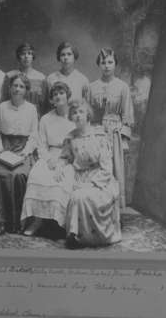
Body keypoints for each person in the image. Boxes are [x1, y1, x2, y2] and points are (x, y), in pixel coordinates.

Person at [61, 100, 121, 249]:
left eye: (81, 112)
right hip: (79, 177)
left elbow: (107, 167)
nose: (77, 115)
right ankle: (74, 235)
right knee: (73, 194)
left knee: (79, 196)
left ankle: (81, 236)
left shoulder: (99, 135)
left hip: (101, 179)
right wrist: (59, 168)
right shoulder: (70, 137)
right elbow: (65, 158)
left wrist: (92, 183)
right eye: (74, 113)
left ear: (88, 114)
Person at [20, 81, 75, 236]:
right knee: (37, 175)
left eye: (61, 93)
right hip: (49, 156)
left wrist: (62, 163)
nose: (58, 96)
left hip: (68, 158)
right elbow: (41, 144)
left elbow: (75, 145)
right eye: (55, 94)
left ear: (67, 95)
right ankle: (38, 220)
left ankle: (60, 222)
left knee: (62, 180)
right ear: (51, 100)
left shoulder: (74, 117)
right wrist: (49, 159)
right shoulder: (45, 119)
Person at [0, 73, 38, 235]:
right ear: (10, 88)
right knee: (0, 174)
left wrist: (26, 153)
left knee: (20, 175)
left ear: (26, 90)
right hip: (5, 147)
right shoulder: (1, 107)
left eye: (21, 86)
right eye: (15, 86)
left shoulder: (31, 109)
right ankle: (1, 221)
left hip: (23, 149)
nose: (17, 89)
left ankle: (19, 220)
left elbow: (34, 135)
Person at [89, 48, 134, 208]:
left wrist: (124, 139)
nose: (107, 66)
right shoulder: (91, 87)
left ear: (115, 64)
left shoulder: (122, 87)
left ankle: (114, 210)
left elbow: (127, 115)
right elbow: (88, 114)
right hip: (97, 132)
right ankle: (96, 209)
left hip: (115, 133)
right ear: (98, 65)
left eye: (110, 62)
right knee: (97, 169)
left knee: (114, 169)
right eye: (103, 62)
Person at [1, 43, 48, 117]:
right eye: (23, 54)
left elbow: (45, 104)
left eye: (29, 53)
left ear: (33, 56)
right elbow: (4, 100)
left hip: (34, 116)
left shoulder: (41, 78)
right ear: (19, 56)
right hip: (13, 114)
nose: (26, 56)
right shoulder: (10, 76)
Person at [46, 41, 90, 111]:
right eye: (63, 55)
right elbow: (49, 105)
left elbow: (86, 106)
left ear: (74, 57)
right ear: (59, 57)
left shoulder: (83, 79)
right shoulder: (51, 78)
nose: (66, 57)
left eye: (69, 54)